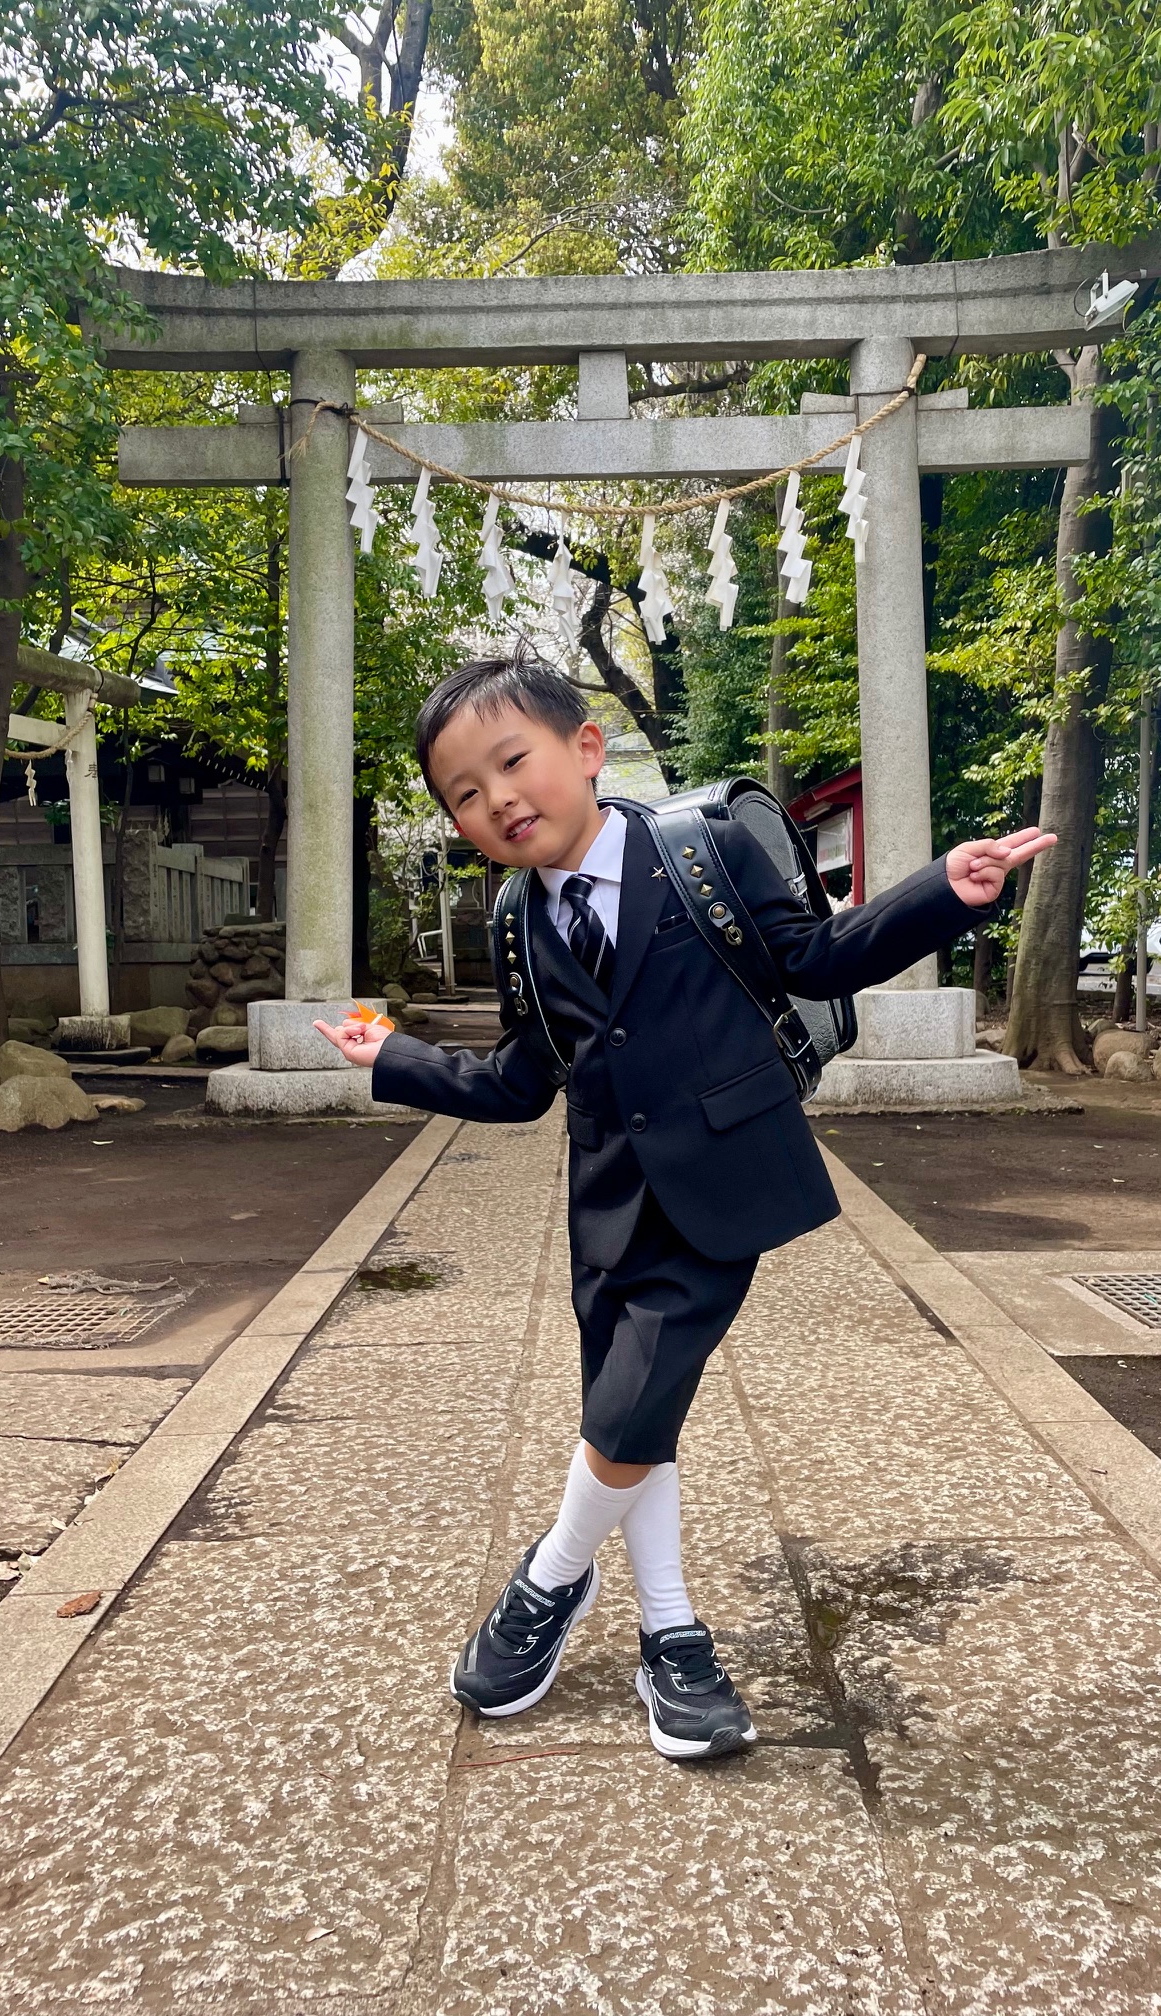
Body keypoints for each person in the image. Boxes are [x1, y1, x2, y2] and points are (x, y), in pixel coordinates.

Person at [317, 651, 1054, 1762]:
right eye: (465, 793)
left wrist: (940, 891)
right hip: (605, 1200)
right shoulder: (516, 919)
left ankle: (549, 1581)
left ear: (586, 748)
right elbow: (522, 1082)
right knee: (634, 1421)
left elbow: (816, 958)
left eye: (511, 762)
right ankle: (672, 1638)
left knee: (627, 1411)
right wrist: (393, 1058)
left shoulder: (702, 850)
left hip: (721, 1178)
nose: (497, 799)